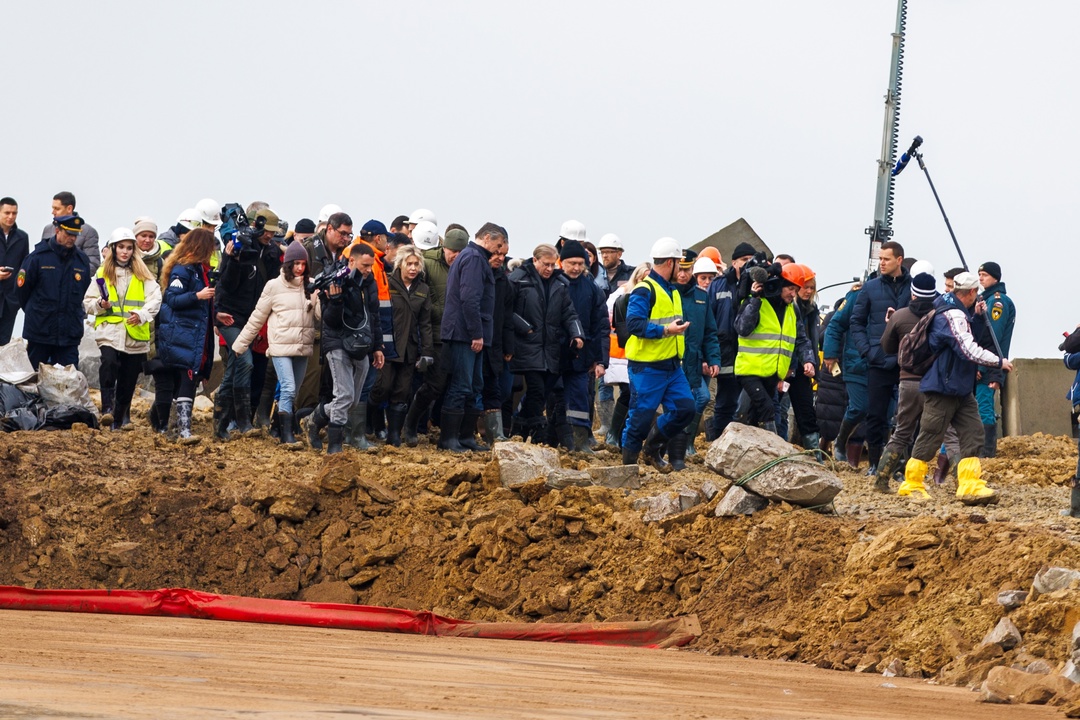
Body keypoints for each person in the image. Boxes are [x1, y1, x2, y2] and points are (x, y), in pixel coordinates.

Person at [898, 272, 1013, 504]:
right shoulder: (952, 315)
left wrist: (978, 317)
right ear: (971, 292)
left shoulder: (957, 310)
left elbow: (966, 340)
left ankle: (969, 484)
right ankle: (912, 484)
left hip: (959, 387)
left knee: (974, 432)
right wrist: (998, 362)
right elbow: (967, 348)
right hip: (943, 386)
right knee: (930, 435)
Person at [230, 241, 320, 447]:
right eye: (296, 263)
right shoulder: (274, 286)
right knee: (288, 388)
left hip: (302, 346)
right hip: (280, 346)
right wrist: (240, 344)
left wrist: (316, 298)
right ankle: (287, 436)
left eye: (303, 264)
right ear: (287, 264)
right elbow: (257, 317)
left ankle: (278, 428)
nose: (300, 268)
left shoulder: (311, 285)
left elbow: (319, 316)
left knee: (294, 391)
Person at [622, 238, 696, 470]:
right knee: (640, 418)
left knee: (685, 409)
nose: (683, 271)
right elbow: (633, 324)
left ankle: (652, 449)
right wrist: (666, 330)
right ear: (671, 262)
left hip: (672, 367)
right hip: (647, 367)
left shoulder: (672, 290)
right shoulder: (645, 289)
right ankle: (628, 466)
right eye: (679, 265)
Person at [213, 207, 284, 440]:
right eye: (268, 231)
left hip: (252, 318)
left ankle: (225, 422)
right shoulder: (239, 247)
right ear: (257, 225)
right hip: (230, 316)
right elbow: (226, 284)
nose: (270, 236)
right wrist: (233, 258)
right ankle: (239, 420)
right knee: (245, 362)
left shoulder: (272, 253)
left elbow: (273, 285)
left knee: (234, 367)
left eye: (274, 233)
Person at [309, 242, 384, 454]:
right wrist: (335, 300)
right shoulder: (334, 278)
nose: (369, 270)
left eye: (371, 266)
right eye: (365, 265)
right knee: (344, 396)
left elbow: (374, 315)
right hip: (337, 343)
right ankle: (335, 446)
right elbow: (330, 321)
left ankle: (315, 418)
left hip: (361, 343)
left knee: (352, 400)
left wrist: (377, 346)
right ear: (352, 261)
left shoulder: (369, 283)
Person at [83, 228, 162, 429]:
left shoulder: (142, 273)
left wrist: (143, 315)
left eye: (128, 248)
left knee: (128, 379)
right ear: (113, 249)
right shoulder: (102, 273)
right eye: (121, 247)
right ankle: (107, 409)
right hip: (109, 331)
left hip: (134, 334)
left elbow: (155, 298)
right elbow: (88, 302)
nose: (125, 252)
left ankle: (118, 420)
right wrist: (101, 305)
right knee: (108, 363)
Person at [439, 223, 505, 453]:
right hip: (464, 335)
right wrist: (476, 333)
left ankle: (466, 437)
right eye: (497, 246)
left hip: (470, 334)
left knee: (474, 385)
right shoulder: (475, 259)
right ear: (486, 238)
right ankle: (449, 439)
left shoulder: (472, 257)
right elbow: (469, 298)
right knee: (462, 385)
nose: (498, 253)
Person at [508, 243, 584, 443]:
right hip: (527, 345)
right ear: (535, 261)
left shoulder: (560, 283)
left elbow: (569, 313)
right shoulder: (518, 279)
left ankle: (518, 430)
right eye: (546, 264)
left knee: (542, 393)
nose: (549, 269)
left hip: (550, 348)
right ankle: (539, 431)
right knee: (536, 390)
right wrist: (525, 327)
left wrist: (577, 335)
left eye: (552, 265)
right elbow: (506, 310)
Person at [849, 241, 911, 473]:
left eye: (886, 259)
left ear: (899, 260)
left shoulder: (912, 288)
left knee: (906, 416)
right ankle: (875, 463)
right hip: (878, 359)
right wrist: (867, 350)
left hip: (906, 362)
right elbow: (856, 321)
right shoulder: (870, 287)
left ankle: (901, 466)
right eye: (880, 259)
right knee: (875, 414)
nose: (881, 263)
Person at [403, 226, 469, 445]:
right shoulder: (428, 264)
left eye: (460, 252)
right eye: (452, 251)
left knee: (455, 384)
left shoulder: (468, 266)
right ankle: (410, 425)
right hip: (435, 333)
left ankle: (447, 432)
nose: (456, 256)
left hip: (459, 334)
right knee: (434, 384)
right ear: (444, 248)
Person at [733, 263, 815, 435]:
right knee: (767, 408)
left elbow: (801, 338)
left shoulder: (792, 309)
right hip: (750, 371)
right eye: (790, 289)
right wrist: (755, 299)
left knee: (756, 416)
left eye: (796, 289)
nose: (794, 294)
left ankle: (754, 454)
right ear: (779, 285)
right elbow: (742, 328)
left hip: (772, 374)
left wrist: (808, 360)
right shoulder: (755, 300)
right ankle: (771, 452)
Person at [875, 271, 938, 492]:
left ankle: (881, 480)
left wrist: (890, 323)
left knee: (902, 431)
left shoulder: (899, 316)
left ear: (912, 294)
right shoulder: (940, 316)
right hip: (935, 384)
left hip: (908, 382)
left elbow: (887, 348)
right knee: (949, 432)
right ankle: (961, 481)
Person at [152, 228, 218, 443]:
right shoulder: (183, 270)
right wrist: (197, 295)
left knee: (188, 379)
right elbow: (172, 298)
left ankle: (178, 428)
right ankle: (182, 430)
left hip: (192, 334)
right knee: (186, 379)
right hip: (183, 334)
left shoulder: (199, 270)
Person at [370, 245, 433, 447]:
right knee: (382, 387)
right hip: (387, 346)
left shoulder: (423, 290)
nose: (413, 268)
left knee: (402, 391)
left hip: (409, 349)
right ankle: (370, 424)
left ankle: (394, 434)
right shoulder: (387, 283)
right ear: (400, 264)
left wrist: (427, 353)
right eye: (410, 264)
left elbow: (425, 324)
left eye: (417, 264)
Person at [666, 256, 721, 469]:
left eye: (687, 270)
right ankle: (670, 444)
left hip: (694, 360)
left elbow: (709, 331)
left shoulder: (700, 297)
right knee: (679, 404)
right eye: (680, 269)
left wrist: (713, 358)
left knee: (702, 398)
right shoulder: (668, 293)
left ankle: (686, 441)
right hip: (672, 360)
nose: (682, 274)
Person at [18, 214, 93, 368]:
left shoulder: (81, 260)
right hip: (40, 332)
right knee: (33, 382)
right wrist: (37, 313)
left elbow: (85, 291)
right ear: (57, 230)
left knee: (70, 383)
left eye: (75, 235)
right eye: (68, 234)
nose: (72, 238)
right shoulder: (38, 258)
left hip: (69, 334)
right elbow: (22, 290)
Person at [558, 240, 610, 454]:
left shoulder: (592, 289)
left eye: (580, 263)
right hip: (554, 352)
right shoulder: (554, 283)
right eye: (572, 263)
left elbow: (599, 326)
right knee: (548, 396)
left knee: (580, 397)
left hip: (581, 354)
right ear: (561, 262)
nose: (576, 268)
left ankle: (580, 443)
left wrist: (598, 360)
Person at [706, 241, 758, 440]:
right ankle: (715, 440)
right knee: (725, 402)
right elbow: (709, 319)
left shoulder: (757, 287)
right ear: (734, 261)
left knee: (745, 405)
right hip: (725, 352)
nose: (747, 263)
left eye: (750, 260)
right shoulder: (718, 285)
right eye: (744, 260)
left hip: (750, 354)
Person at [604, 262, 651, 447]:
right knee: (627, 393)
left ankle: (621, 435)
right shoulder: (622, 296)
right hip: (620, 353)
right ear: (637, 278)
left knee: (634, 395)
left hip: (638, 353)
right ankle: (613, 434)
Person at [823, 282, 868, 467]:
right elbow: (831, 328)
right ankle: (836, 444)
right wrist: (830, 354)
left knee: (883, 414)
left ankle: (874, 464)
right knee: (857, 408)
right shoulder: (857, 297)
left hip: (878, 363)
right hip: (850, 364)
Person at [975, 261, 1016, 457]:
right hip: (986, 361)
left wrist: (982, 366)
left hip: (990, 363)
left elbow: (993, 337)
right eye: (979, 274)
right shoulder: (985, 300)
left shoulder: (997, 302)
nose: (981, 277)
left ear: (995, 278)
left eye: (984, 274)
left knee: (984, 405)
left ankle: (987, 451)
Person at [482, 236, 514, 446]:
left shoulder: (504, 282)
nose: (500, 258)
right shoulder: (477, 275)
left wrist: (508, 346)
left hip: (496, 343)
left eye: (503, 255)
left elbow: (507, 317)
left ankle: (494, 434)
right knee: (472, 387)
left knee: (498, 387)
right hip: (474, 340)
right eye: (496, 254)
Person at [785, 263, 821, 450]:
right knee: (778, 411)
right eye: (804, 287)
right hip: (785, 365)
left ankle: (814, 453)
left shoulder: (813, 310)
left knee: (807, 411)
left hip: (803, 366)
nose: (808, 291)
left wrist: (812, 362)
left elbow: (810, 339)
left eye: (811, 288)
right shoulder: (789, 307)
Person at [40, 191, 100, 274]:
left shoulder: (88, 232)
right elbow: (41, 257)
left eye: (57, 209)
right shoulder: (48, 229)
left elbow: (93, 264)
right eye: (53, 208)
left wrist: (70, 276)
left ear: (69, 209)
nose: (53, 212)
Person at [0, 197, 30, 345]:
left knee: (4, 344)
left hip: (10, 300)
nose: (11, 216)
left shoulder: (22, 237)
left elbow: (25, 265)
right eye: (7, 213)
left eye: (14, 213)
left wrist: (19, 292)